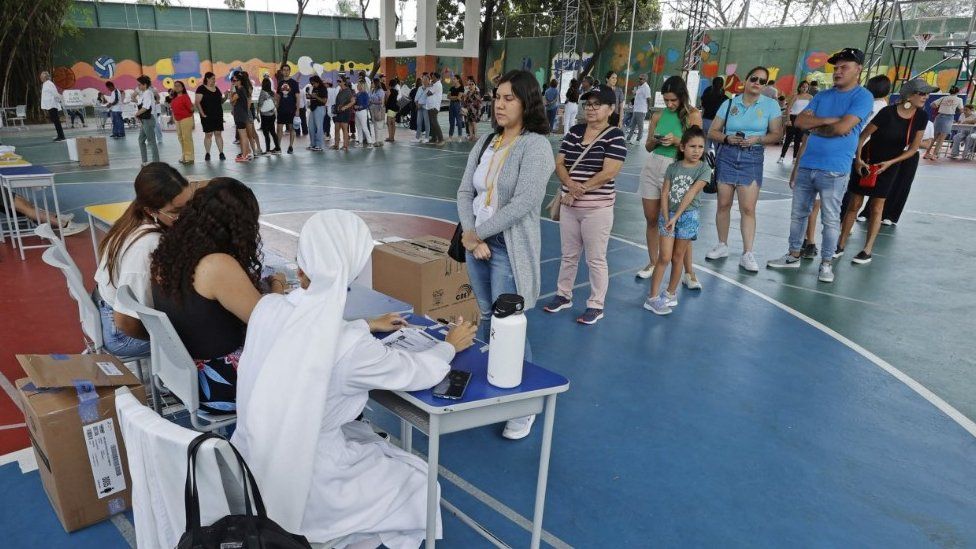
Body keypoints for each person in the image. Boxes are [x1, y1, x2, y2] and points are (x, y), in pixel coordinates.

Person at [230, 210, 477, 546]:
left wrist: (363, 324)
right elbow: (415, 372)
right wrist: (449, 346)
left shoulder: (268, 308)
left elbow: (306, 334)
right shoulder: (350, 346)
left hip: (250, 465)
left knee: (370, 441)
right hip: (314, 483)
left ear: (302, 267)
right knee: (421, 483)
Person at [456, 70, 555, 440]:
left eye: (509, 98)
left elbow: (525, 203)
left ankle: (522, 407)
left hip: (505, 248)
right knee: (485, 317)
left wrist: (477, 234)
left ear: (526, 103)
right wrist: (470, 236)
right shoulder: (486, 142)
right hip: (475, 243)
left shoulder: (536, 147)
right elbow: (465, 191)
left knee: (508, 326)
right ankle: (491, 386)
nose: (499, 104)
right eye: (497, 96)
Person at [151, 178, 275, 412]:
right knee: (318, 371)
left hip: (181, 376)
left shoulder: (169, 252)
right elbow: (267, 322)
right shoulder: (216, 265)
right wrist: (277, 287)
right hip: (222, 384)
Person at [766, 47, 874, 283]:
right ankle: (793, 255)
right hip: (807, 164)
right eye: (835, 68)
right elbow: (801, 122)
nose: (837, 72)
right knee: (798, 215)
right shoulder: (822, 96)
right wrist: (827, 122)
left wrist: (820, 126)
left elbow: (843, 128)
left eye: (844, 67)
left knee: (830, 218)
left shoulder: (862, 96)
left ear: (858, 70)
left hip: (835, 169)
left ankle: (826, 263)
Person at [543, 86, 626, 325]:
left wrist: (578, 190)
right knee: (568, 255)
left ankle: (596, 304)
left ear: (610, 109)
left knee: (595, 258)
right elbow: (560, 163)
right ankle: (563, 295)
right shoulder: (574, 131)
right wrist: (569, 183)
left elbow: (610, 171)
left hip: (596, 209)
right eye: (588, 103)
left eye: (596, 104)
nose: (590, 108)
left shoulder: (615, 136)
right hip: (570, 205)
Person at [94, 164, 193, 357]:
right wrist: (163, 342)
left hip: (106, 308)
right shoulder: (147, 246)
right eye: (176, 211)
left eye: (190, 206)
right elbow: (125, 322)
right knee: (212, 340)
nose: (188, 216)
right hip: (121, 334)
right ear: (151, 211)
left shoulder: (134, 218)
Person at [836, 78, 931, 264]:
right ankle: (840, 244)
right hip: (867, 161)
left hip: (889, 166)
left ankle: (867, 250)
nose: (925, 97)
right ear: (909, 95)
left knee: (877, 207)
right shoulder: (887, 113)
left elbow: (913, 149)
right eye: (921, 93)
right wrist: (859, 160)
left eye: (927, 94)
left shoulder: (921, 117)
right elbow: (862, 137)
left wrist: (890, 163)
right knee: (854, 204)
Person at [706, 66, 784, 272]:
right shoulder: (729, 103)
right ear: (746, 80)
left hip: (752, 157)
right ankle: (722, 244)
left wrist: (758, 139)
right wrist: (726, 138)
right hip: (727, 155)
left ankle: (747, 253)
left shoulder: (771, 105)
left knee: (748, 208)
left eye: (763, 81)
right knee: (723, 203)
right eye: (754, 78)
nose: (758, 83)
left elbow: (777, 135)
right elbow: (712, 131)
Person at [637, 76, 703, 287]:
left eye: (673, 100)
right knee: (651, 218)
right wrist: (656, 140)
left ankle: (689, 272)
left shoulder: (693, 115)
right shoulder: (658, 115)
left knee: (679, 222)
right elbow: (647, 146)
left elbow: (697, 147)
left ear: (682, 96)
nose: (669, 104)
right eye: (666, 100)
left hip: (677, 169)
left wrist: (677, 141)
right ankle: (653, 262)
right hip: (653, 164)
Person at [644, 127, 711, 315]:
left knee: (677, 257)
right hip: (668, 216)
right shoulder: (673, 167)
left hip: (688, 217)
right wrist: (666, 217)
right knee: (664, 256)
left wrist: (675, 217)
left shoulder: (704, 169)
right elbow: (665, 192)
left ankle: (670, 293)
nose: (697, 150)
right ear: (682, 147)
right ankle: (652, 297)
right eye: (692, 146)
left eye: (700, 147)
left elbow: (691, 193)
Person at [924, 85, 963, 160]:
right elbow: (961, 110)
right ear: (958, 92)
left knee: (934, 137)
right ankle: (934, 155)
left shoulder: (944, 98)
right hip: (949, 118)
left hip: (939, 117)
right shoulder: (959, 99)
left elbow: (932, 104)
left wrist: (941, 107)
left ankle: (927, 153)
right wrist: (953, 109)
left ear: (950, 91)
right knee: (941, 138)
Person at [778, 81, 813, 163]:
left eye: (806, 87)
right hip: (793, 118)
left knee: (798, 139)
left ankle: (794, 158)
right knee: (788, 138)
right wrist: (788, 120)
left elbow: (812, 110)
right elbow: (788, 108)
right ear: (800, 87)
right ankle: (782, 156)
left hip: (803, 119)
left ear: (808, 88)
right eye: (803, 86)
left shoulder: (810, 97)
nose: (804, 88)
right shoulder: (795, 96)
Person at [195, 72, 226, 162]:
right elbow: (197, 102)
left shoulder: (216, 89)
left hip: (218, 115)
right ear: (207, 78)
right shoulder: (201, 88)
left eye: (214, 78)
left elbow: (221, 101)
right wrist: (202, 114)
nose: (214, 80)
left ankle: (221, 153)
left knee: (218, 134)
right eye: (212, 78)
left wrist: (226, 96)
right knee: (208, 134)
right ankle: (207, 153)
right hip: (207, 116)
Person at [166, 81, 194, 165]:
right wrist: (172, 118)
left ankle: (190, 158)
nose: (177, 87)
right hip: (177, 120)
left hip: (186, 119)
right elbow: (173, 110)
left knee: (186, 138)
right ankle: (184, 155)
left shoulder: (185, 97)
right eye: (175, 86)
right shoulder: (174, 99)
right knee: (181, 138)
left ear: (182, 88)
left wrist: (192, 108)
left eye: (179, 86)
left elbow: (192, 109)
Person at [134, 75, 159, 165]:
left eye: (139, 85)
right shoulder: (143, 94)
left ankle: (156, 162)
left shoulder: (148, 93)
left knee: (151, 141)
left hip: (148, 120)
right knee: (141, 140)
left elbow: (146, 107)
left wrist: (137, 114)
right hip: (144, 120)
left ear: (145, 85)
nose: (138, 87)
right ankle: (144, 161)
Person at [229, 73, 253, 161]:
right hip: (241, 114)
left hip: (240, 115)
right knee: (243, 135)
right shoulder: (242, 89)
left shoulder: (240, 90)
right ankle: (246, 154)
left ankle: (245, 155)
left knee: (243, 136)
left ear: (240, 81)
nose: (233, 82)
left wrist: (231, 92)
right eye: (232, 80)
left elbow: (232, 100)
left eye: (234, 80)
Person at [39, 71, 66, 142]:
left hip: (52, 105)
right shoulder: (45, 84)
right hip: (49, 105)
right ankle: (59, 135)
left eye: (42, 76)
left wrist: (60, 101)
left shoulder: (50, 84)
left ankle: (61, 136)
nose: (40, 78)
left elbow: (55, 94)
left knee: (56, 121)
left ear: (45, 77)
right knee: (55, 121)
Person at [258, 78, 281, 154]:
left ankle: (267, 150)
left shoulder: (263, 92)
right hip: (272, 115)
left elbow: (260, 104)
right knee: (273, 132)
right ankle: (278, 149)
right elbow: (276, 102)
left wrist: (257, 114)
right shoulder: (272, 93)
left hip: (265, 116)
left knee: (266, 133)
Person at [626, 74, 651, 144]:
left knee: (640, 126)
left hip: (641, 110)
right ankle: (628, 139)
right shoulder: (639, 87)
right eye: (639, 78)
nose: (639, 80)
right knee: (632, 125)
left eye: (641, 79)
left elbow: (648, 98)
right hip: (636, 109)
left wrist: (648, 108)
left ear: (645, 80)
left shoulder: (646, 87)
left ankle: (638, 140)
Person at [305, 75, 327, 152]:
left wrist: (316, 97)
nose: (312, 85)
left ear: (318, 82)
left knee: (319, 127)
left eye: (313, 83)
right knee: (311, 127)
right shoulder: (314, 88)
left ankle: (319, 145)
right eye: (311, 83)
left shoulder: (323, 88)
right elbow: (314, 97)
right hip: (313, 109)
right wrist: (310, 96)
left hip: (320, 108)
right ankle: (313, 144)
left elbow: (324, 101)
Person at [333, 79, 355, 151]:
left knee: (344, 128)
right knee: (336, 128)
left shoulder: (348, 91)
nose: (338, 82)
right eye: (338, 81)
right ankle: (336, 145)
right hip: (338, 112)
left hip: (345, 112)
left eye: (340, 81)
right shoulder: (340, 91)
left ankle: (345, 146)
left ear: (344, 82)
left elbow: (353, 101)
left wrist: (345, 107)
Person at [276, 81, 297, 154]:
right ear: (282, 71)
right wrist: (277, 106)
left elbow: (298, 96)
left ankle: (290, 146)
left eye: (287, 69)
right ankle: (278, 147)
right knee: (279, 129)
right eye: (284, 69)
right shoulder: (280, 83)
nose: (285, 71)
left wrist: (297, 110)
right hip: (281, 110)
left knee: (292, 128)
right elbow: (278, 96)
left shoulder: (294, 83)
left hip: (291, 110)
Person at [354, 82, 377, 148]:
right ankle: (360, 142)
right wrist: (355, 106)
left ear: (361, 86)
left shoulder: (365, 94)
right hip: (357, 112)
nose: (357, 86)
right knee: (358, 128)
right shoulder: (357, 94)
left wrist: (359, 107)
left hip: (362, 112)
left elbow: (366, 104)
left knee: (364, 127)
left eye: (358, 85)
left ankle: (370, 142)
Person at [427, 72, 445, 145]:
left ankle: (441, 139)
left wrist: (429, 86)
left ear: (437, 78)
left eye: (433, 77)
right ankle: (434, 138)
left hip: (434, 106)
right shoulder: (434, 84)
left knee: (434, 123)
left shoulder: (437, 84)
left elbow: (428, 93)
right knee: (432, 123)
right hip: (431, 106)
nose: (432, 78)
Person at [463, 77, 483, 141]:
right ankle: (471, 135)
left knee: (474, 123)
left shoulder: (476, 93)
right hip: (468, 110)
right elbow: (465, 102)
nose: (471, 85)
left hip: (475, 110)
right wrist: (464, 108)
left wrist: (479, 110)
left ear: (475, 85)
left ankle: (475, 135)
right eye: (470, 84)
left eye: (472, 84)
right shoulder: (467, 93)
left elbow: (479, 102)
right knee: (469, 123)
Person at [369, 79, 386, 145]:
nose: (371, 84)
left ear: (375, 83)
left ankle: (379, 141)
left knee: (379, 126)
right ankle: (378, 141)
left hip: (379, 109)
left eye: (372, 83)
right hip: (373, 109)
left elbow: (382, 102)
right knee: (375, 126)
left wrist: (372, 102)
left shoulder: (380, 91)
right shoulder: (372, 91)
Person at [384, 77, 400, 143]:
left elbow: (386, 99)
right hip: (395, 108)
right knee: (393, 123)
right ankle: (392, 137)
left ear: (389, 84)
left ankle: (390, 137)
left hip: (390, 108)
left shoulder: (389, 91)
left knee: (388, 123)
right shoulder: (396, 91)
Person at [415, 74, 430, 142]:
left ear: (428, 80)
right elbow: (416, 98)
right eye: (423, 79)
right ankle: (418, 137)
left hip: (426, 108)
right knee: (419, 123)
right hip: (419, 107)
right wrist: (417, 104)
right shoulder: (420, 88)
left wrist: (422, 104)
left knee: (427, 123)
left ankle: (427, 137)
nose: (424, 80)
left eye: (426, 79)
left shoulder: (430, 88)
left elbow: (429, 99)